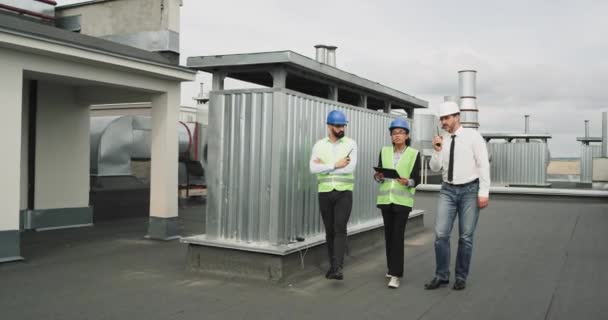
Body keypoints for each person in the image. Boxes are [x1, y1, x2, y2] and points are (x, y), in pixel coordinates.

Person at [424, 101, 490, 291]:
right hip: (447, 190)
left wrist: (483, 192)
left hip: (470, 191)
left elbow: (483, 164)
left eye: (446, 118)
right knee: (440, 235)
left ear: (457, 117)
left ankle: (461, 276)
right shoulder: (441, 139)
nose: (443, 122)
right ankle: (441, 275)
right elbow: (435, 168)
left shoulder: (473, 136)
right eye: (441, 118)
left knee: (465, 237)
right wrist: (436, 150)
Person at [309, 110, 358, 280]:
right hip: (325, 193)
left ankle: (337, 267)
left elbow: (350, 168)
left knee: (340, 228)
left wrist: (325, 165)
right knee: (329, 231)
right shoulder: (319, 145)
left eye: (343, 125)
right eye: (338, 126)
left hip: (344, 192)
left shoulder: (351, 144)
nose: (341, 128)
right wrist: (335, 165)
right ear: (329, 126)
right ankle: (333, 265)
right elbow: (313, 168)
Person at [374, 118, 421, 289]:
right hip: (386, 200)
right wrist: (378, 177)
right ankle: (391, 267)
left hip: (403, 201)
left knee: (397, 236)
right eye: (394, 133)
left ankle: (396, 274)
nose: (397, 135)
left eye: (401, 132)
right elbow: (380, 173)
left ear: (407, 135)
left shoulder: (414, 153)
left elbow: (417, 179)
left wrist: (407, 181)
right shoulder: (384, 151)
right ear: (391, 136)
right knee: (388, 235)